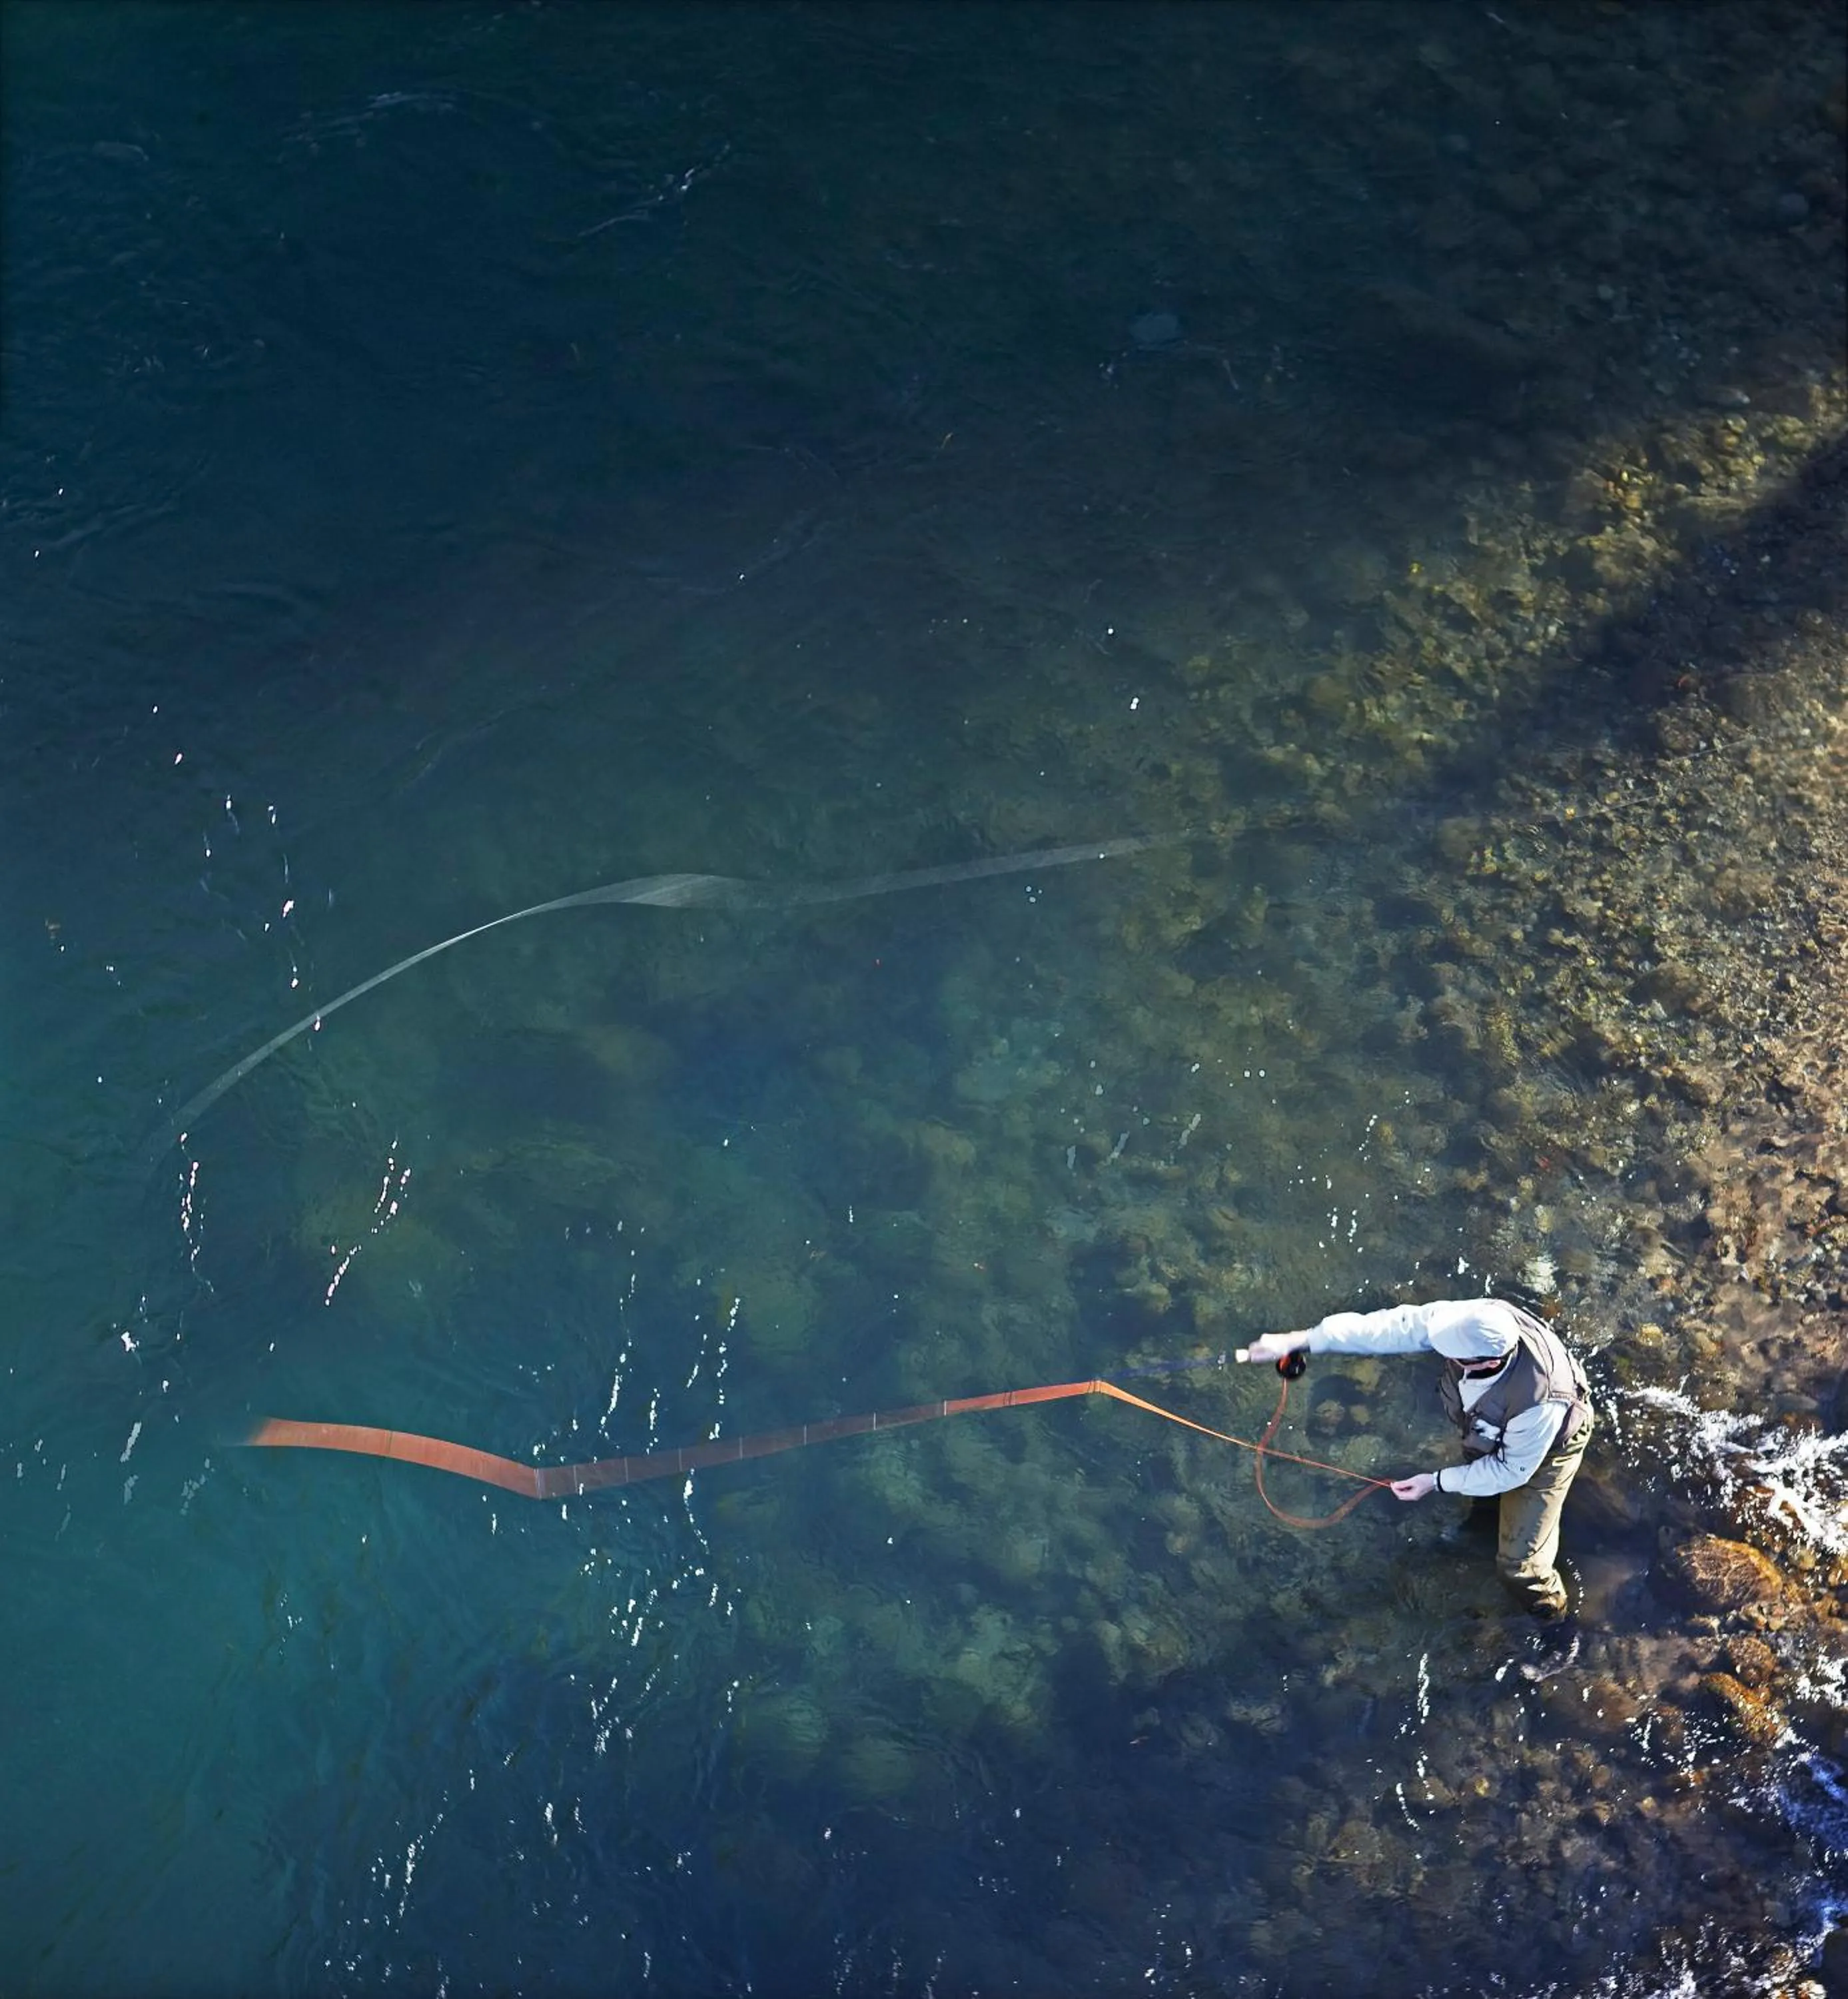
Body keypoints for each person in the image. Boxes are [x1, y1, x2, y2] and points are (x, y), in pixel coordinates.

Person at [1241, 1295, 1594, 1678]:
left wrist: (1435, 1482)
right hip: (1495, 1429)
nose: (1442, 1352)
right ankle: (1482, 1524)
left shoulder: (1539, 1403)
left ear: (1488, 1362)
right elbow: (1392, 1327)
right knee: (1481, 1484)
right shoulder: (1471, 1320)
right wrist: (1305, 1339)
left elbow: (1511, 1471)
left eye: (1453, 1354)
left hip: (1546, 1450)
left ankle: (1559, 1631)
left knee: (1519, 1565)